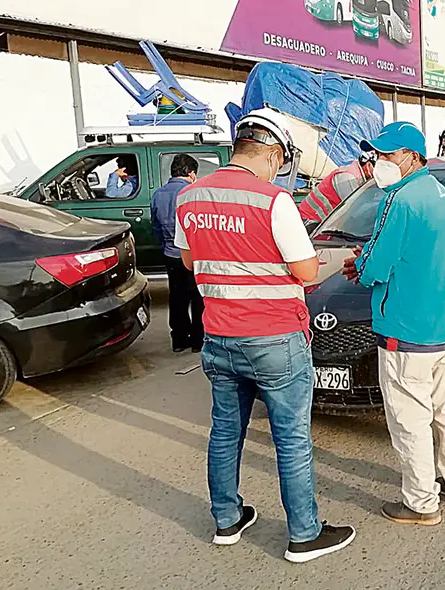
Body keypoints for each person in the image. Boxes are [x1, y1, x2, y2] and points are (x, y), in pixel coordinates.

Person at [174, 107, 356, 564]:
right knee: (291, 437)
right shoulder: (273, 201)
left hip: (217, 336)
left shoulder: (190, 197)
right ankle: (303, 534)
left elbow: (190, 263)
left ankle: (227, 520)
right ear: (274, 154)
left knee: (225, 432)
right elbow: (307, 269)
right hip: (274, 338)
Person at [342, 121, 445, 526]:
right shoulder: (439, 195)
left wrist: (361, 263)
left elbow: (376, 266)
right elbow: (410, 251)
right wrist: (370, 259)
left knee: (409, 419)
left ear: (412, 156)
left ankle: (421, 503)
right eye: (378, 154)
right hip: (438, 325)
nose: (380, 161)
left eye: (388, 154)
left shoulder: (400, 199)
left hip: (405, 328)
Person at [150, 153, 204, 353]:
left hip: (171, 254)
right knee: (198, 298)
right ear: (191, 173)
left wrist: (164, 245)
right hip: (194, 255)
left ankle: (180, 340)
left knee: (177, 296)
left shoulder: (158, 194)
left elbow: (155, 226)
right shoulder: (193, 192)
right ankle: (199, 341)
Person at [297, 152, 375, 223]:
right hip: (310, 222)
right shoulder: (348, 177)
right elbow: (355, 212)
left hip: (322, 224)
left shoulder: (362, 178)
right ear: (368, 165)